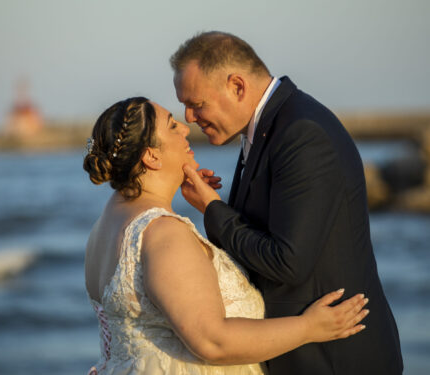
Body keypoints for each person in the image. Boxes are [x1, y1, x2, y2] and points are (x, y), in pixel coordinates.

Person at [171, 31, 403, 374]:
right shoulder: (270, 127)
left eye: (197, 103)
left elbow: (287, 261)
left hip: (334, 359)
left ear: (237, 86)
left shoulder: (301, 133)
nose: (188, 117)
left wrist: (214, 210)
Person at [83, 96, 369, 374]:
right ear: (151, 156)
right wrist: (310, 327)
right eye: (172, 125)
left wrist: (209, 208)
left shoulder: (104, 228)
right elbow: (212, 341)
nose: (185, 127)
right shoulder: (163, 232)